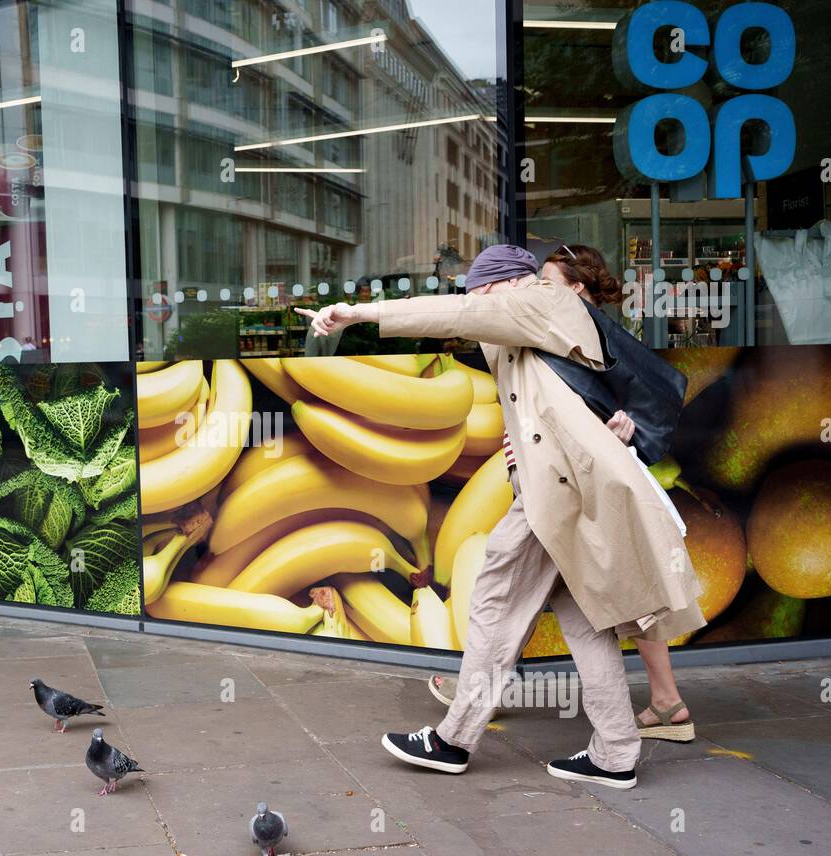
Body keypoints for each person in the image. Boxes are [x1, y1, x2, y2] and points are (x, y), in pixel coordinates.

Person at [297, 244, 705, 789]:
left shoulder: (539, 300)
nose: (479, 306)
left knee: (492, 598)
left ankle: (453, 739)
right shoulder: (520, 332)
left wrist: (358, 313)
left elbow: (460, 315)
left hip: (557, 498)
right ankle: (616, 751)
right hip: (559, 494)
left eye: (482, 293)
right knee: (586, 627)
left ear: (503, 286)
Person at [542, 243, 696, 741]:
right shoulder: (566, 335)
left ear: (576, 290)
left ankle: (475, 693)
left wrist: (622, 432)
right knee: (526, 585)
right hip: (573, 484)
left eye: (548, 284)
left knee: (517, 586)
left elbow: (621, 414)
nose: (537, 294)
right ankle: (668, 702)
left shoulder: (593, 342)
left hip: (584, 488)